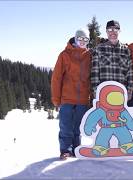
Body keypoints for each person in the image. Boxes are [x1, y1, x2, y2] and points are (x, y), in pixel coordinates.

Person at [51, 28, 91, 160]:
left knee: (78, 128)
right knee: (66, 126)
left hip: (82, 100)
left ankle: (76, 150)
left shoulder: (90, 55)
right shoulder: (65, 55)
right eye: (80, 39)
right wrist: (56, 99)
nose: (82, 41)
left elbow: (92, 77)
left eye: (85, 39)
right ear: (75, 39)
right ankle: (65, 150)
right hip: (67, 98)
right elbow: (56, 78)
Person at [91, 20, 133, 100]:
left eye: (116, 29)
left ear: (119, 31)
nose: (113, 32)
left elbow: (130, 72)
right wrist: (96, 91)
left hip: (121, 94)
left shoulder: (126, 50)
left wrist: (129, 91)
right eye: (110, 30)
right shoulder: (99, 49)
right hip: (103, 94)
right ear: (106, 32)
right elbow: (95, 73)